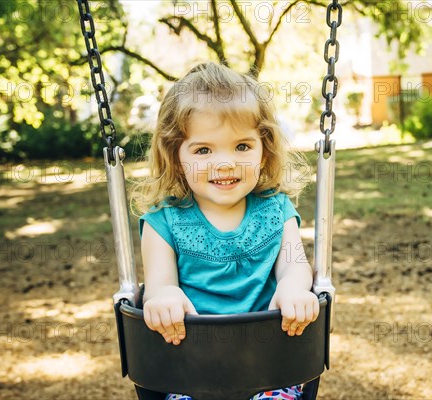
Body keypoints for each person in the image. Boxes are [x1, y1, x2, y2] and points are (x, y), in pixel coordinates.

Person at [134, 62, 319, 400]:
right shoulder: (163, 224)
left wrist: (294, 288)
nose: (225, 163)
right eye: (203, 150)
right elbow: (159, 287)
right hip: (191, 373)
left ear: (264, 150)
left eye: (242, 146)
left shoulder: (277, 211)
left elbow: (295, 263)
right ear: (176, 156)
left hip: (270, 370)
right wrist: (165, 298)